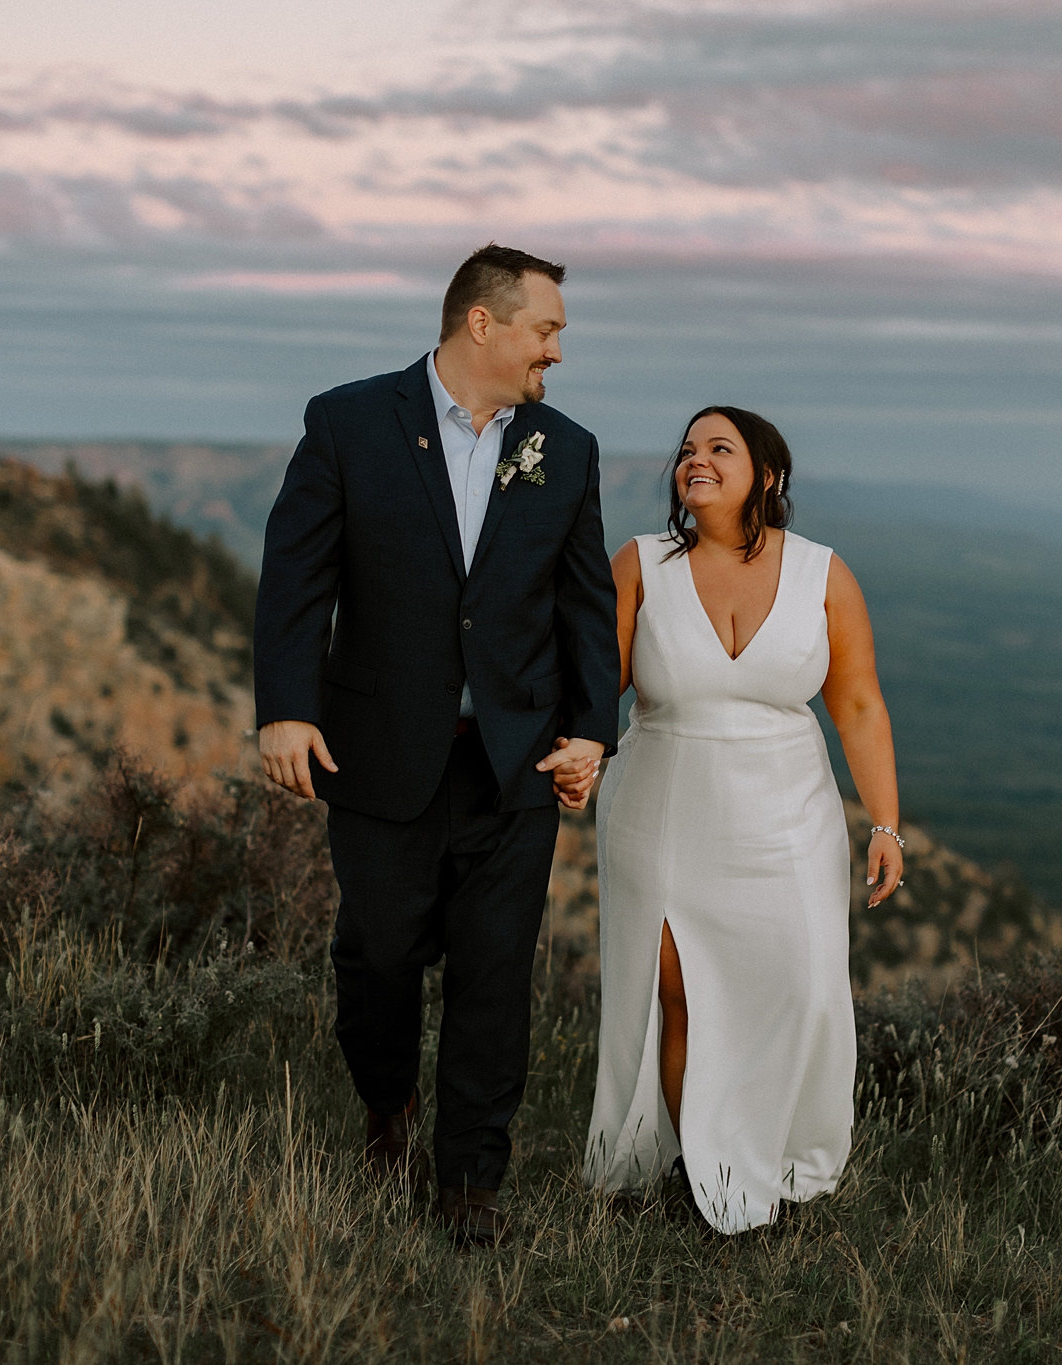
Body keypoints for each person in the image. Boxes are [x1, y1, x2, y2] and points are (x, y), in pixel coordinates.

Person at [254, 244, 619, 1247]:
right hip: (376, 751)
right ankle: (388, 1112)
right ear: (481, 324)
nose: (556, 351)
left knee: (494, 971)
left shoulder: (565, 448)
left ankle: (468, 1186)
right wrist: (286, 707)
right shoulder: (347, 422)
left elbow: (583, 601)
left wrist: (591, 729)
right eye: (545, 330)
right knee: (376, 957)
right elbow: (296, 577)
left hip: (514, 763)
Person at [584, 405, 903, 1233]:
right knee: (678, 990)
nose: (695, 460)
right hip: (660, 809)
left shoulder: (824, 575)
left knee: (795, 991)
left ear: (767, 473)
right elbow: (594, 690)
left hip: (790, 820)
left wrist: (885, 823)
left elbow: (860, 703)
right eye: (687, 450)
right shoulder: (642, 564)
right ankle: (702, 1170)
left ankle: (770, 1155)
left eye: (719, 448)